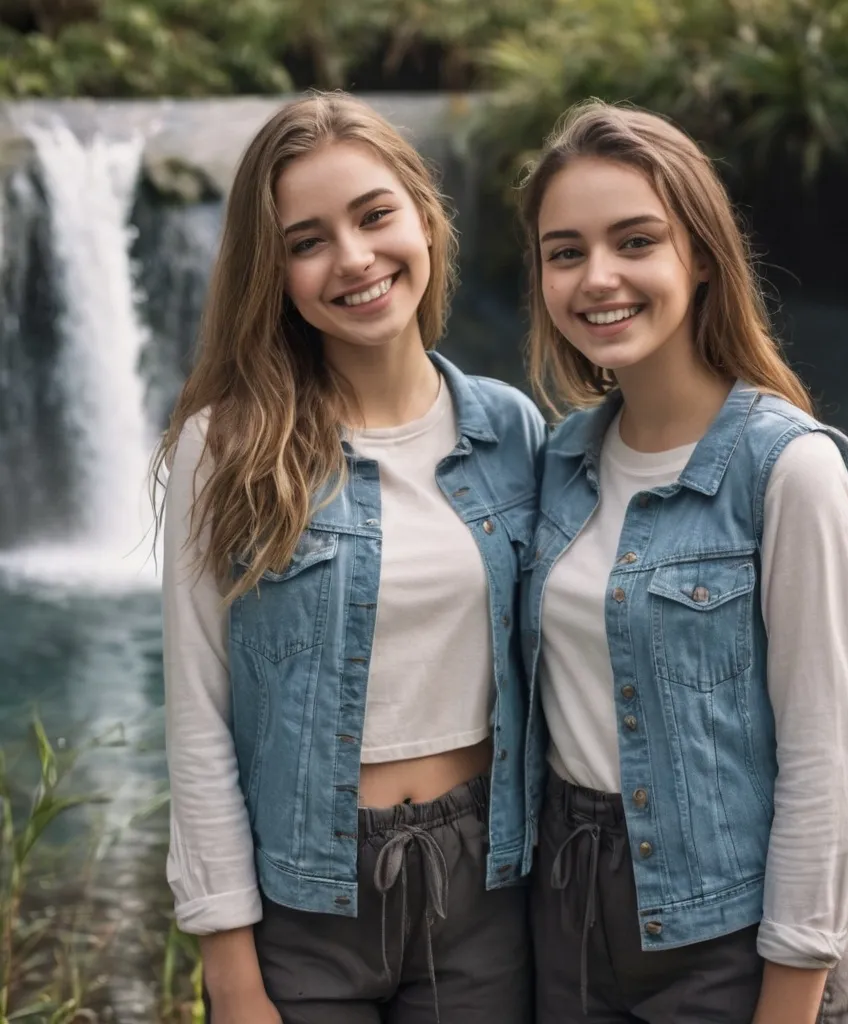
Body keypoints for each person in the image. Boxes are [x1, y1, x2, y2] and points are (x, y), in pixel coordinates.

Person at [516, 100, 848, 1024]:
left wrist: (790, 994)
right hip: (566, 922)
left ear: (698, 253)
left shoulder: (791, 470)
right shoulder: (559, 463)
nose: (597, 277)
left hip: (733, 939)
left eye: (635, 241)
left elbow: (826, 764)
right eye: (565, 251)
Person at [153, 91, 543, 1024]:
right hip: (304, 901)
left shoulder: (513, 431)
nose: (356, 259)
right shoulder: (228, 447)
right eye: (309, 240)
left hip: (486, 889)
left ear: (424, 216)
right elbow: (198, 717)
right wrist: (229, 968)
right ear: (275, 272)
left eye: (375, 216)